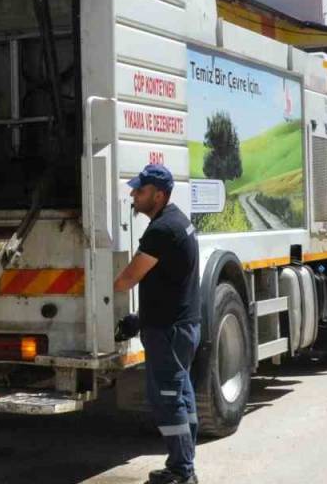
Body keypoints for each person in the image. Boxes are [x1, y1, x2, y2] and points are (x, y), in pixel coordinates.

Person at [113, 164, 201, 484]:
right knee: (181, 395)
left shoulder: (162, 230)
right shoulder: (178, 221)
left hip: (169, 331)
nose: (134, 195)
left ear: (159, 195)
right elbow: (168, 282)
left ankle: (182, 471)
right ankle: (183, 463)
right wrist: (141, 318)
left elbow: (127, 279)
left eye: (141, 190)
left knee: (167, 398)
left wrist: (91, 288)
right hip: (180, 325)